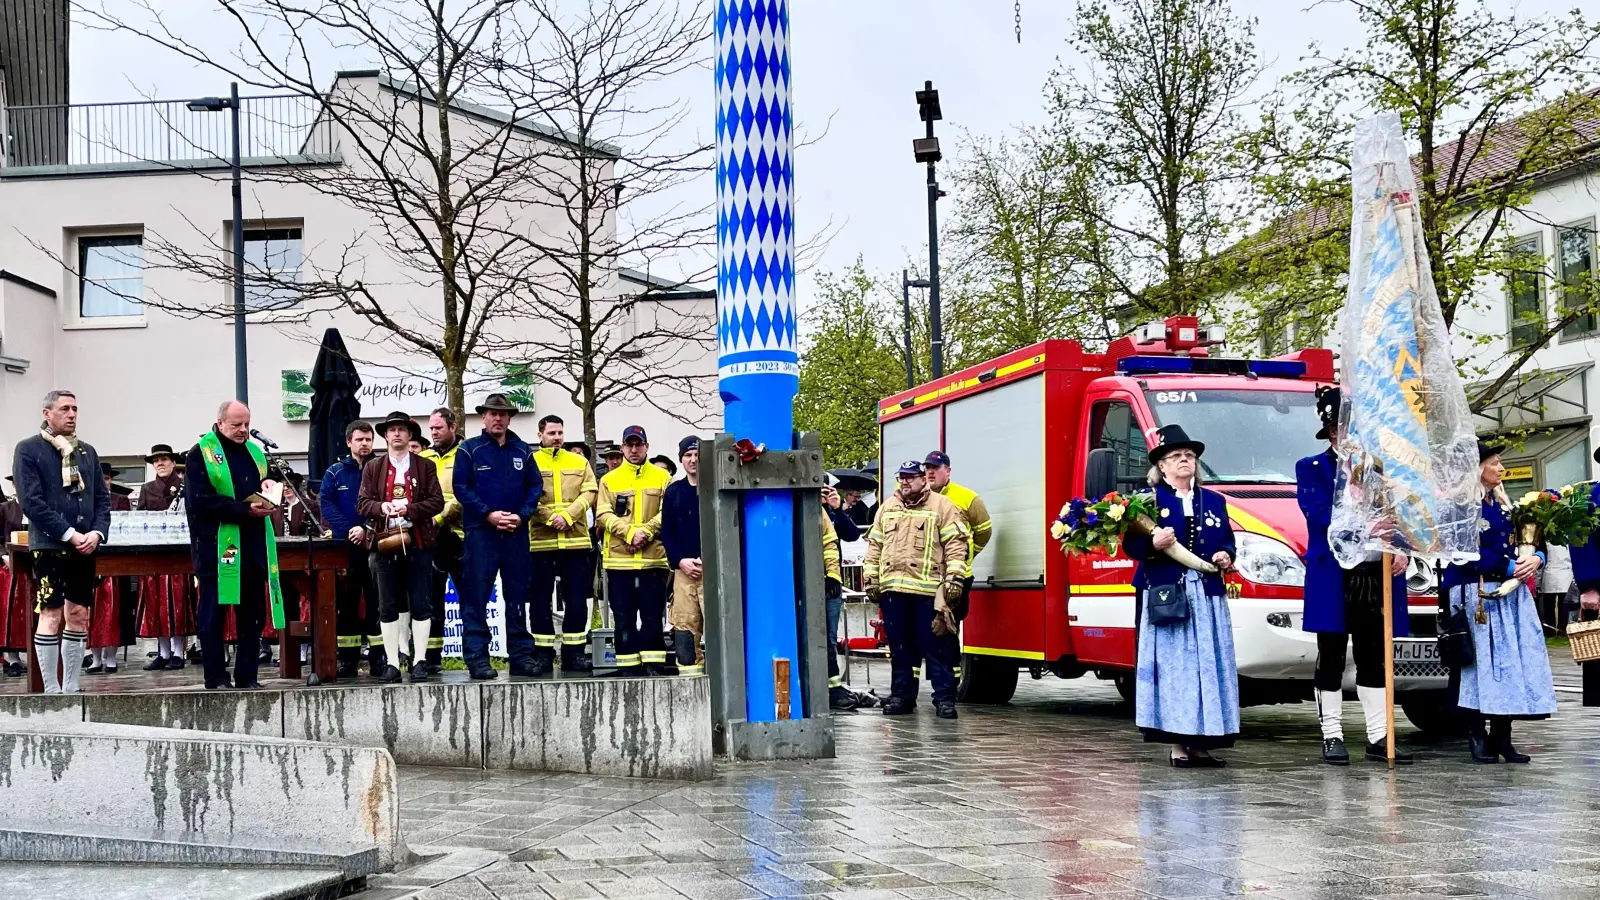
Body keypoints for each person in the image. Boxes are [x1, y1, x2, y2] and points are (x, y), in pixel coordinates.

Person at [1296, 387, 1412, 765]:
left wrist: (1399, 549)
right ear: (1330, 433)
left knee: (1373, 656)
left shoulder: (1380, 470)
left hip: (1372, 573)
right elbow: (1319, 517)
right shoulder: (1311, 467)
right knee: (1330, 655)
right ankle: (1332, 734)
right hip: (1333, 573)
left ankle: (1379, 736)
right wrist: (1367, 525)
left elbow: (1398, 518)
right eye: (1338, 429)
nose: (1344, 436)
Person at [1123, 424, 1239, 768]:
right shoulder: (1147, 502)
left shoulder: (1214, 501)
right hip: (1167, 596)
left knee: (1208, 668)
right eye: (1176, 456)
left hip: (1207, 596)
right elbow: (1131, 545)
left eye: (1190, 455)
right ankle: (1177, 742)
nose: (1185, 460)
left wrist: (1225, 555)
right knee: (1176, 670)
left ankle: (1203, 742)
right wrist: (1152, 544)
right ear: (1162, 466)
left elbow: (1227, 540)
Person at [1442, 442, 1556, 763]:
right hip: (1476, 592)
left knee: (1509, 662)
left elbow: (1530, 540)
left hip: (1510, 593)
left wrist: (1537, 558)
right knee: (1479, 664)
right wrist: (1506, 567)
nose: (1501, 468)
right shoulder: (1461, 505)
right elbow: (1462, 553)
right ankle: (1477, 733)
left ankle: (1502, 738)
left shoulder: (1507, 504)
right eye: (1495, 462)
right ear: (1478, 468)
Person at [12, 390, 111, 694]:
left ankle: (71, 687)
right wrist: (69, 533)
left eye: (75, 409)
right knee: (51, 612)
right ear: (47, 413)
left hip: (86, 544)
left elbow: (101, 500)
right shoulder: (28, 450)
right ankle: (51, 691)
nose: (72, 414)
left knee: (79, 614)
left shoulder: (87, 452)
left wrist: (97, 533)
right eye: (65, 409)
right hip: (50, 544)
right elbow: (31, 501)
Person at [185, 401, 281, 690]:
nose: (243, 431)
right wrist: (243, 511)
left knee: (252, 615)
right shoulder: (201, 453)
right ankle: (216, 677)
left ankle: (248, 675)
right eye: (237, 425)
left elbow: (263, 480)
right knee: (214, 615)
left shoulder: (254, 451)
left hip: (252, 546)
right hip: (217, 546)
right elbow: (200, 502)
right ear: (220, 422)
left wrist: (270, 488)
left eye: (247, 425)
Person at [862, 460, 969, 719]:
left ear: (924, 479)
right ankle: (902, 697)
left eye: (911, 477)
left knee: (937, 647)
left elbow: (956, 544)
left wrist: (955, 578)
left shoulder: (943, 507)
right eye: (902, 477)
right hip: (893, 591)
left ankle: (944, 699)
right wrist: (871, 578)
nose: (905, 482)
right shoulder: (887, 507)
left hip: (928, 592)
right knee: (900, 648)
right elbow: (875, 546)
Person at [453, 393, 543, 679]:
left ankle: (520, 656)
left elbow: (535, 485)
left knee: (517, 596)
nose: (498, 418)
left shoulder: (522, 450)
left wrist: (523, 514)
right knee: (476, 596)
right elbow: (460, 488)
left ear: (510, 418)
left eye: (503, 414)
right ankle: (478, 658)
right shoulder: (469, 449)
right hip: (481, 533)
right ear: (483, 417)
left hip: (516, 533)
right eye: (492, 413)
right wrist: (488, 514)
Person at [359, 411, 446, 683]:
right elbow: (362, 504)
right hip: (384, 542)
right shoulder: (373, 467)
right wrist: (382, 507)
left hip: (417, 540)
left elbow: (437, 502)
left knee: (421, 601)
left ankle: (419, 660)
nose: (396, 434)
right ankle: (393, 661)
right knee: (387, 604)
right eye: (392, 430)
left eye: (402, 430)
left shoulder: (424, 466)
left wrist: (409, 508)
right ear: (386, 436)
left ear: (410, 435)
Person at [596, 426, 672, 676]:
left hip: (653, 561)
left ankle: (653, 664)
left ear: (647, 447)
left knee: (652, 616)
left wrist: (645, 532)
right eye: (629, 445)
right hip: (620, 561)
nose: (634, 449)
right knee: (623, 616)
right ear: (622, 447)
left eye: (638, 444)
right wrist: (629, 533)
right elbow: (603, 514)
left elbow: (668, 512)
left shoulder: (662, 478)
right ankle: (627, 665)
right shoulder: (609, 480)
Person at [528, 415, 598, 675]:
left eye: (560, 432)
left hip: (576, 540)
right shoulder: (529, 462)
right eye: (551, 433)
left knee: (577, 599)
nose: (556, 438)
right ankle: (543, 654)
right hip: (541, 541)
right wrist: (549, 517)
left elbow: (590, 491)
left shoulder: (579, 461)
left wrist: (568, 515)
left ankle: (574, 654)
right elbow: (525, 496)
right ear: (540, 435)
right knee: (539, 599)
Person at [320, 421, 385, 678]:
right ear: (349, 442)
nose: (365, 443)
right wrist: (349, 529)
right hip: (345, 547)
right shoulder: (335, 472)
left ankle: (379, 657)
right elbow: (326, 503)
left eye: (368, 439)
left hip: (375, 544)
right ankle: (347, 659)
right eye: (359, 439)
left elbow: (386, 503)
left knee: (376, 601)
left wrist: (367, 528)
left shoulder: (381, 469)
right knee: (346, 603)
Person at [923, 450, 991, 692]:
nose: (930, 472)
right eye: (927, 468)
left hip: (956, 578)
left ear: (947, 471)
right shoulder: (919, 498)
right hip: (926, 577)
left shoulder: (967, 498)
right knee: (928, 629)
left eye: (936, 468)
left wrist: (966, 557)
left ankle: (950, 683)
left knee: (948, 628)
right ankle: (938, 680)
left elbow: (983, 531)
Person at [135, 443, 195, 669]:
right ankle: (163, 652)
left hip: (178, 554)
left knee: (178, 603)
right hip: (154, 554)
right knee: (156, 604)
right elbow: (139, 519)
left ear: (172, 462)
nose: (160, 464)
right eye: (156, 461)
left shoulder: (184, 486)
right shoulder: (147, 489)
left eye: (164, 460)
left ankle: (179, 652)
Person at [420, 407, 463, 670]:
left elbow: (464, 492)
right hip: (429, 539)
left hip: (459, 535)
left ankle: (474, 656)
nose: (434, 432)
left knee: (469, 600)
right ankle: (430, 659)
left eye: (438, 428)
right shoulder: (423, 457)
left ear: (452, 427)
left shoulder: (467, 454)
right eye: (431, 428)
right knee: (429, 601)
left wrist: (439, 517)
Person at [82, 462, 133, 674]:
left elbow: (127, 529)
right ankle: (95, 658)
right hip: (90, 561)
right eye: (100, 478)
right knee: (90, 613)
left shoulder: (120, 501)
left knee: (115, 612)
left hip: (115, 561)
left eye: (107, 478)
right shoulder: (84, 501)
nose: (104, 482)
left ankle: (111, 659)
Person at [661, 436, 704, 676]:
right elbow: (666, 531)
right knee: (684, 631)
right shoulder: (674, 492)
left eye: (697, 455)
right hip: (683, 572)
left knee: (721, 629)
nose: (693, 459)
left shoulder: (716, 490)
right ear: (681, 459)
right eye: (688, 455)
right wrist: (680, 561)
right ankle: (690, 681)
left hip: (714, 572)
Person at [821, 483, 861, 708]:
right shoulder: (801, 504)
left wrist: (837, 508)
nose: (823, 493)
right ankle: (825, 687)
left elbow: (852, 535)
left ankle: (833, 688)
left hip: (831, 585)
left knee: (828, 638)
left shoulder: (831, 512)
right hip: (811, 582)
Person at [0, 478, 26, 676]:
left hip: (36, 567)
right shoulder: (6, 508)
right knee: (10, 613)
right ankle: (13, 658)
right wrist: (4, 555)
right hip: (10, 567)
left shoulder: (40, 506)